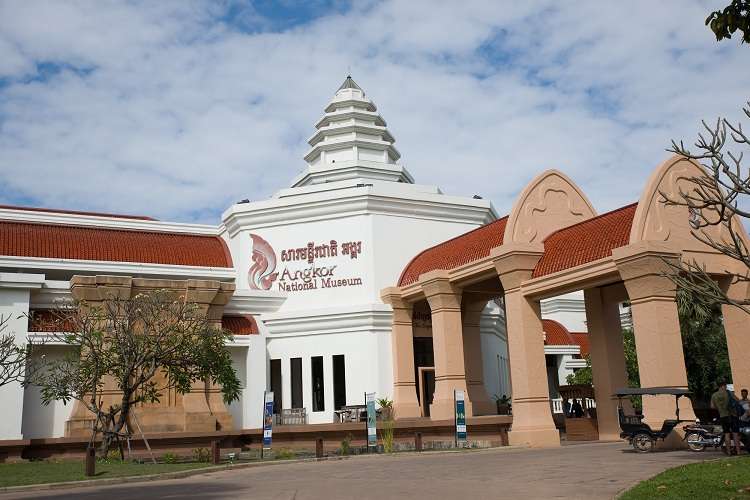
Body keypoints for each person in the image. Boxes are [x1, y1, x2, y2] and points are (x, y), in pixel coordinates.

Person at [711, 381, 741, 455]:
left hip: (723, 416)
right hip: (732, 415)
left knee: (726, 434)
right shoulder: (728, 393)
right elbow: (738, 400)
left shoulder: (714, 395)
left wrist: (720, 408)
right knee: (735, 434)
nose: (726, 387)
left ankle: (729, 452)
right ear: (722, 386)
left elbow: (712, 406)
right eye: (725, 386)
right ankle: (738, 452)